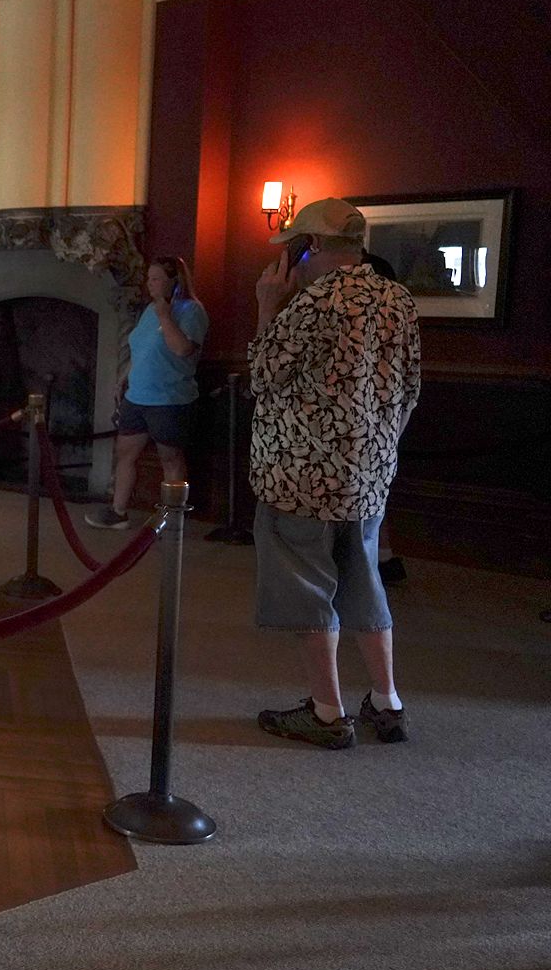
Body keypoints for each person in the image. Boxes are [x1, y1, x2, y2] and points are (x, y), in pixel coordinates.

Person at [249, 198, 421, 750]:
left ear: (314, 246)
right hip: (368, 476)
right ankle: (387, 702)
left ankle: (327, 712)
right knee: (365, 580)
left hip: (300, 478)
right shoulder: (397, 299)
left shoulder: (314, 302)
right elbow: (410, 389)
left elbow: (263, 375)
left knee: (308, 589)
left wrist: (267, 304)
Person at [87, 256, 208, 529]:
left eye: (156, 279)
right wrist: (123, 378)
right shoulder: (150, 310)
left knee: (170, 458)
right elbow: (140, 349)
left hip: (169, 399)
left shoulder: (191, 311)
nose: (149, 284)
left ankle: (173, 519)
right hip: (137, 396)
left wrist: (166, 315)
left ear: (174, 281)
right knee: (125, 453)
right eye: (149, 278)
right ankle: (118, 511)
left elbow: (182, 349)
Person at [362, 248, 409, 588]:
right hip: (383, 424)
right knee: (376, 493)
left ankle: (379, 559)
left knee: (372, 494)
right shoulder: (396, 329)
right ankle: (383, 558)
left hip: (374, 424)